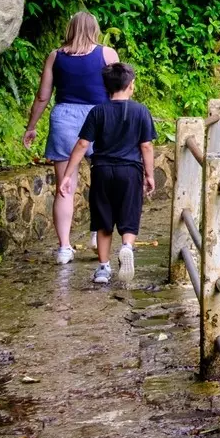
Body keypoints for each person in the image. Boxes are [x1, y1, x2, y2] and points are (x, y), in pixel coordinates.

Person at [23, 11, 120, 263]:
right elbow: (117, 92)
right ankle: (97, 236)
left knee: (64, 187)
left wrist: (31, 126)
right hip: (100, 118)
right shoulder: (107, 54)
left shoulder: (55, 56)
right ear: (94, 29)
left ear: (70, 29)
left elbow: (42, 96)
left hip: (64, 119)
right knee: (103, 182)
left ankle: (64, 248)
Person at [59, 63, 156, 285]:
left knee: (103, 220)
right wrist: (149, 175)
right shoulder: (141, 111)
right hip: (130, 171)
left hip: (102, 171)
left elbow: (83, 144)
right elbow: (146, 146)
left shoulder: (98, 111)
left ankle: (103, 268)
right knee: (129, 214)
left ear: (106, 87)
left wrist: (67, 175)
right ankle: (127, 246)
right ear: (131, 85)